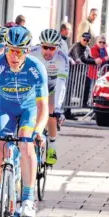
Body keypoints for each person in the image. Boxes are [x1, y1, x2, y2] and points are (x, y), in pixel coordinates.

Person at [0, 26, 49, 217]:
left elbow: (43, 107)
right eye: (10, 50)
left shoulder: (36, 68)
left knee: (26, 144)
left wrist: (39, 130)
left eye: (19, 51)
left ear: (27, 51)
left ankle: (28, 200)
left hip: (28, 108)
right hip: (4, 106)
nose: (14, 56)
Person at [30, 29, 69, 165]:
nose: (48, 51)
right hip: (35, 88)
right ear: (40, 45)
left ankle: (52, 146)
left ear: (57, 48)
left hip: (52, 88)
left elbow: (61, 84)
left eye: (52, 48)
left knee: (51, 114)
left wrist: (58, 108)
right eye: (45, 47)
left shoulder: (62, 58)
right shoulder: (32, 53)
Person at [69, 32, 102, 107]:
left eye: (87, 41)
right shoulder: (76, 46)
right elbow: (82, 59)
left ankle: (84, 103)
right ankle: (67, 111)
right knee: (69, 90)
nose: (85, 42)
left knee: (87, 82)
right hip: (71, 71)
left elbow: (89, 58)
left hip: (80, 72)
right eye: (84, 40)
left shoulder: (87, 48)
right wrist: (94, 61)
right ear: (81, 38)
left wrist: (95, 61)